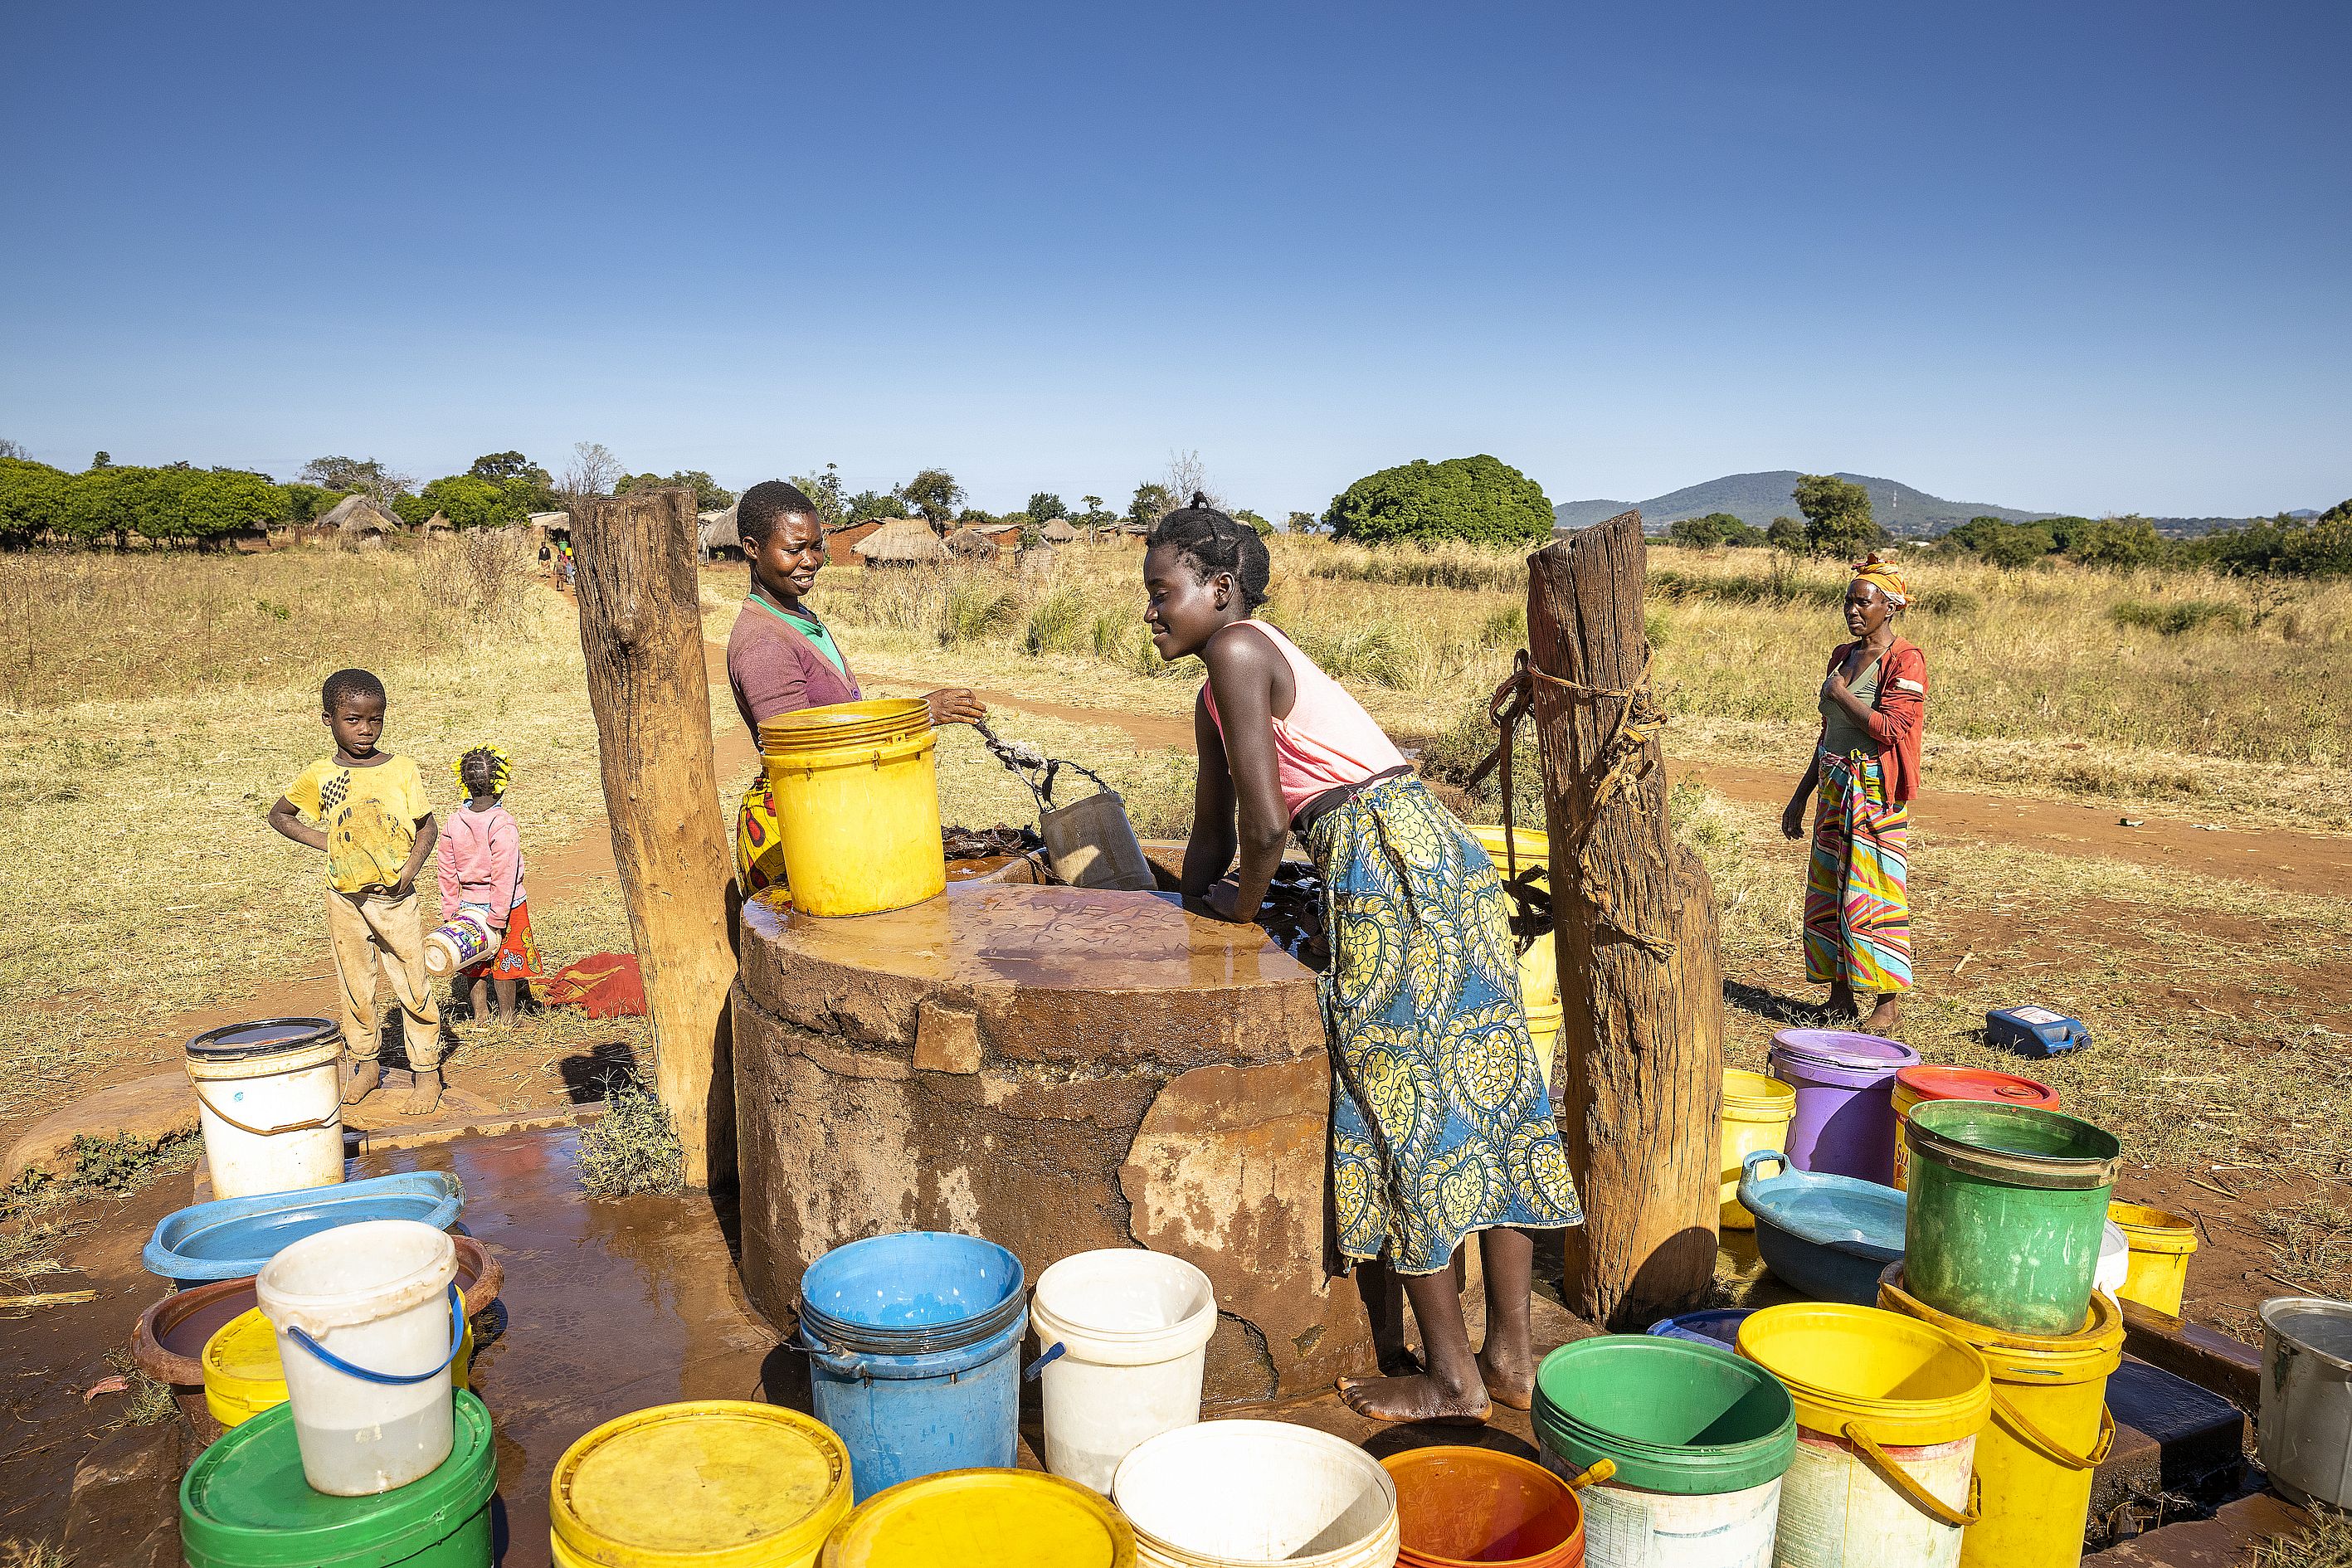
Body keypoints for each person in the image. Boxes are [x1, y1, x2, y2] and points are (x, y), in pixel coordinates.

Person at [1143, 494, 1580, 1425]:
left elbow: (1265, 833)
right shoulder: (1224, 680)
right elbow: (1214, 833)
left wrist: (1234, 922)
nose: (1151, 611)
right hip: (1435, 855)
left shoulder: (1236, 650)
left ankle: (1452, 1380)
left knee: (1403, 1108)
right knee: (1488, 1090)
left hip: (1385, 866)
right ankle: (1509, 1356)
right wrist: (1179, 906)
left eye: (1162, 591)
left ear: (1219, 590)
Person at [727, 480, 986, 894]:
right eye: (794, 549)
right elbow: (806, 749)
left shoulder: (796, 617)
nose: (810, 560)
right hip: (802, 826)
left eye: (816, 546)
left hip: (832, 809)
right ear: (753, 548)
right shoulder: (764, 642)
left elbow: (838, 717)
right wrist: (920, 714)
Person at [268, 668, 446, 1114]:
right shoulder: (320, 774)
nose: (366, 730)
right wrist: (327, 842)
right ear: (328, 719)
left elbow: (428, 828)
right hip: (345, 898)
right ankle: (365, 1064)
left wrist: (409, 870)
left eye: (376, 720)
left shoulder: (402, 770)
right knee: (355, 985)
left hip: (394, 899)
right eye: (353, 720)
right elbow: (281, 815)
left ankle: (427, 1071)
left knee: (412, 982)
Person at [1780, 553, 1929, 1035]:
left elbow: (1893, 731)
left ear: (1890, 607)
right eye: (1849, 602)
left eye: (1863, 602)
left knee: (1876, 889)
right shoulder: (1842, 656)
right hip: (1833, 782)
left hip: (1873, 788)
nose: (1852, 610)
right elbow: (1829, 733)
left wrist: (1841, 693)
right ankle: (1839, 993)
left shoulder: (1905, 660)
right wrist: (1801, 794)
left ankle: (1888, 1001)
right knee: (1831, 887)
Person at [436, 743, 542, 1025]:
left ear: (465, 785)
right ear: (501, 785)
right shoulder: (502, 823)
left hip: (467, 907)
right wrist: (498, 914)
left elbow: (446, 871)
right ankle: (508, 1016)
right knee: (506, 961)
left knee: (475, 961)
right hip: (506, 907)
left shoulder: (454, 822)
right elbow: (504, 874)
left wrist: (451, 912)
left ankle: (481, 1015)